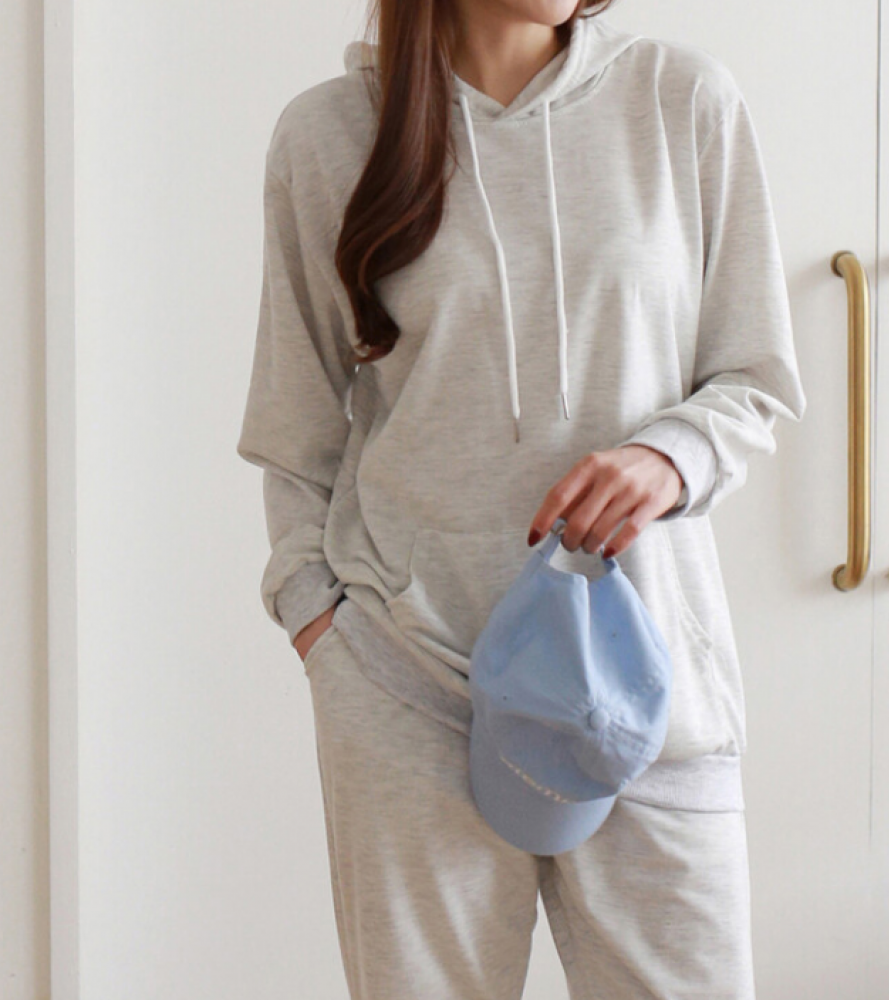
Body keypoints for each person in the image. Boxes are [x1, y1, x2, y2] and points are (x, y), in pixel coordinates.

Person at [236, 0, 806, 996]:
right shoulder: (329, 135)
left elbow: (755, 376)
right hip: (411, 682)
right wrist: (323, 631)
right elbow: (297, 429)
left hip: (647, 678)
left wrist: (669, 457)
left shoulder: (681, 100)